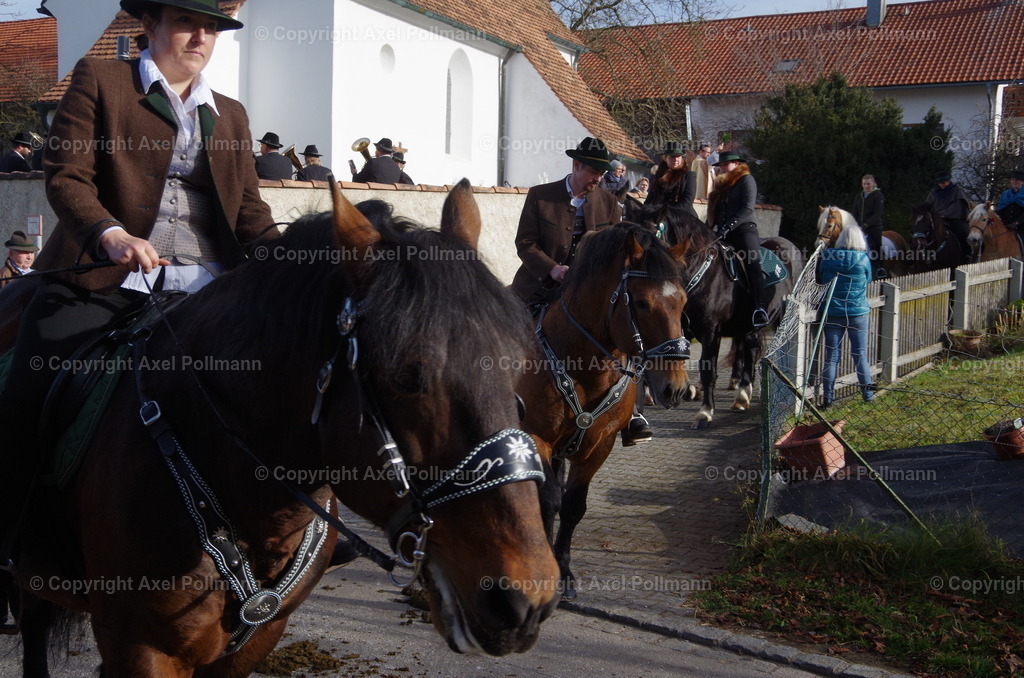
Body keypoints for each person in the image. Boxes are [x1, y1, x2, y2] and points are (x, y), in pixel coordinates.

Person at [0, 0, 308, 628]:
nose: (201, 37)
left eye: (212, 27)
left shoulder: (233, 114)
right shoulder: (101, 79)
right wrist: (109, 235)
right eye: (187, 22)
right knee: (27, 387)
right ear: (152, 26)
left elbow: (248, 213)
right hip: (104, 280)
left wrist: (292, 275)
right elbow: (67, 178)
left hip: (212, 291)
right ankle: (8, 546)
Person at [707, 152, 769, 328]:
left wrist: (728, 226)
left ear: (736, 164)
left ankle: (760, 308)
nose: (722, 168)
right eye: (720, 165)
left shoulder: (746, 180)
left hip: (743, 231)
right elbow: (714, 212)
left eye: (726, 164)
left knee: (752, 262)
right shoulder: (722, 186)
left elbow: (747, 208)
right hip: (722, 234)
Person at [817, 222, 875, 407]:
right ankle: (868, 395)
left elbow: (819, 278)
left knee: (832, 357)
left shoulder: (827, 256)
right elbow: (868, 280)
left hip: (832, 312)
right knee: (860, 355)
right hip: (858, 312)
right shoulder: (863, 259)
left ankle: (828, 399)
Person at [924, 172, 971, 261]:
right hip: (936, 219)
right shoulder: (934, 192)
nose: (942, 185)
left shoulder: (957, 191)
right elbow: (928, 205)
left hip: (953, 219)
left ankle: (966, 255)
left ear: (949, 181)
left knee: (963, 233)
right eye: (940, 183)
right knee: (921, 231)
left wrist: (944, 214)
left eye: (944, 183)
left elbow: (957, 207)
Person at [645, 141, 698, 219]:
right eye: (672, 157)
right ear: (665, 158)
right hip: (660, 216)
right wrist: (645, 211)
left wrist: (667, 213)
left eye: (678, 157)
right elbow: (651, 197)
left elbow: (687, 201)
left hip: (683, 218)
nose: (676, 160)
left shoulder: (689, 175)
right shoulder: (658, 176)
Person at [850, 174, 885, 278]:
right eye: (864, 184)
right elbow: (855, 212)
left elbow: (877, 213)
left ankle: (880, 267)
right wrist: (853, 223)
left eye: (868, 184)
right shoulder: (859, 196)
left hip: (874, 226)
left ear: (873, 183)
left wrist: (866, 224)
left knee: (877, 244)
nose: (866, 186)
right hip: (860, 227)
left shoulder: (878, 195)